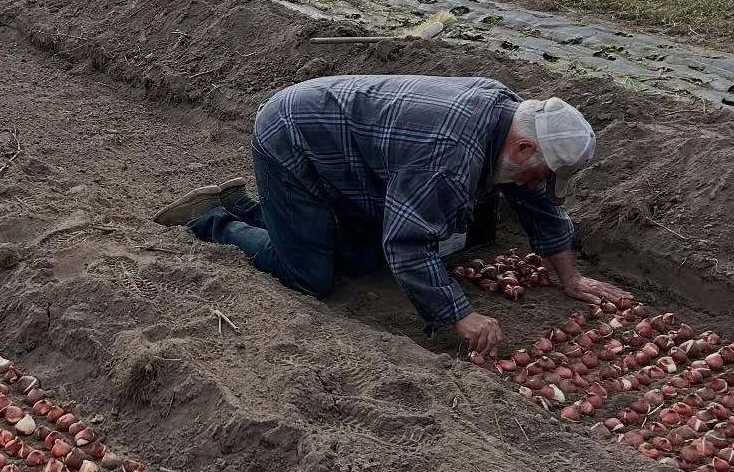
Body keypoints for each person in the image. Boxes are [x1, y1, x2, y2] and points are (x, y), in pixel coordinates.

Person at [155, 74, 629, 355]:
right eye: (538, 171)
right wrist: (458, 314)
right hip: (293, 139)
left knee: (361, 258)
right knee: (309, 275)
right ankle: (215, 217)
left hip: (350, 153)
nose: (533, 183)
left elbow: (537, 199)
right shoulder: (449, 155)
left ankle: (252, 207)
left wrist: (570, 277)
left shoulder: (513, 122)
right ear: (524, 146)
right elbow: (406, 242)